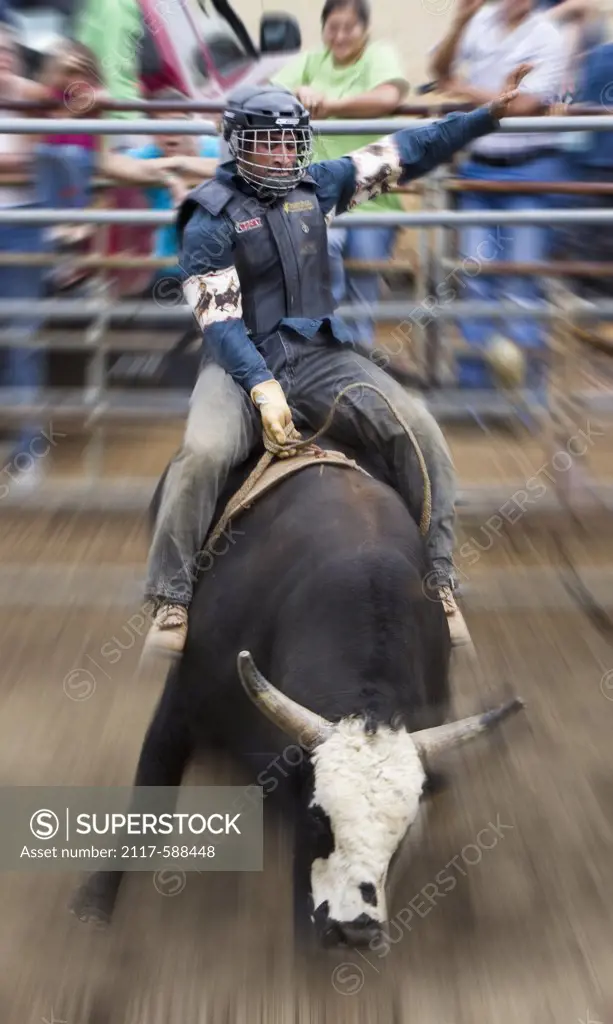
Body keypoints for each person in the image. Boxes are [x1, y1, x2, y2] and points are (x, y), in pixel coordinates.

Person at [142, 75, 531, 659]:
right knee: (202, 451)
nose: (281, 153)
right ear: (236, 144)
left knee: (420, 430)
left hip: (324, 354)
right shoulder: (208, 219)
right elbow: (219, 323)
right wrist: (262, 388)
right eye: (265, 143)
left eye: (291, 141)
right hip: (238, 363)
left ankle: (440, 580)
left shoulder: (318, 186)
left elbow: (406, 150)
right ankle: (170, 596)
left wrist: (488, 115)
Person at [429, 0, 566, 392]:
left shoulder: (547, 35)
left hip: (531, 169)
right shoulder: (478, 21)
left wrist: (463, 89)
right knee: (476, 279)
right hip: (480, 169)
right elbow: (438, 71)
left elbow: (523, 105)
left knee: (523, 280)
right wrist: (458, 23)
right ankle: (476, 391)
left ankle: (524, 395)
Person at [273, 0, 409, 348]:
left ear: (365, 30)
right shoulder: (312, 61)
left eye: (349, 27)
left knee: (362, 277)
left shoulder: (379, 55)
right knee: (321, 250)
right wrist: (297, 93)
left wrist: (330, 106)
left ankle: (357, 355)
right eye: (333, 27)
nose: (340, 35)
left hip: (371, 194)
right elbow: (269, 94)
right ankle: (326, 345)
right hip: (322, 195)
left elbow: (388, 97)